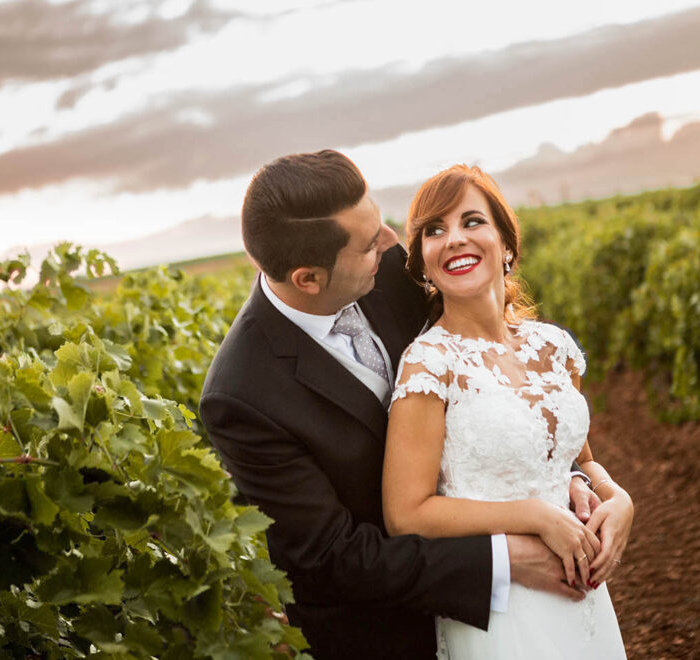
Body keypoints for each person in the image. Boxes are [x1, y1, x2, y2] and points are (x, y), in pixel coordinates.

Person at [199, 150, 603, 659]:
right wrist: (505, 559)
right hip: (386, 634)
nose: (394, 244)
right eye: (371, 243)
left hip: (530, 599)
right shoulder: (241, 395)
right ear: (308, 278)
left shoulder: (389, 267)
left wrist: (569, 477)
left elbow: (495, 386)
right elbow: (332, 559)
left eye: (382, 223)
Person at [382, 164, 633, 658]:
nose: (453, 239)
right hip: (501, 607)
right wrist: (535, 516)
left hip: (583, 597)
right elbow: (405, 515)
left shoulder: (554, 347)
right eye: (434, 231)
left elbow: (577, 461)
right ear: (424, 264)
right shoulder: (428, 363)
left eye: (471, 221)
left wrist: (616, 496)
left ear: (507, 243)